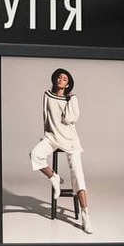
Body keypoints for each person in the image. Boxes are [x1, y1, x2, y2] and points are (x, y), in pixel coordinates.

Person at [30, 68, 91, 233]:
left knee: (78, 175)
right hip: (52, 137)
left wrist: (70, 100)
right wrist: (45, 136)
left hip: (70, 140)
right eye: (59, 77)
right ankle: (54, 177)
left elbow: (70, 118)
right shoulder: (47, 95)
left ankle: (85, 214)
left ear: (68, 84)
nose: (60, 79)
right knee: (35, 154)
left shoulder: (72, 98)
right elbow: (45, 117)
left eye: (64, 78)